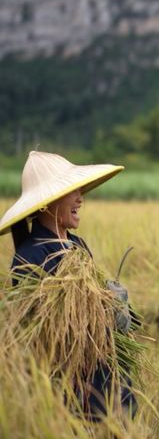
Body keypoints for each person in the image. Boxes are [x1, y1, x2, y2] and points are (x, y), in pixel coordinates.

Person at [0, 150, 137, 420]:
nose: (80, 199)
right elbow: (34, 330)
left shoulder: (76, 244)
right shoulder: (29, 257)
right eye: (72, 191)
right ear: (46, 203)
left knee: (118, 428)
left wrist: (114, 305)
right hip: (68, 379)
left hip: (101, 364)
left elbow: (91, 299)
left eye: (80, 190)